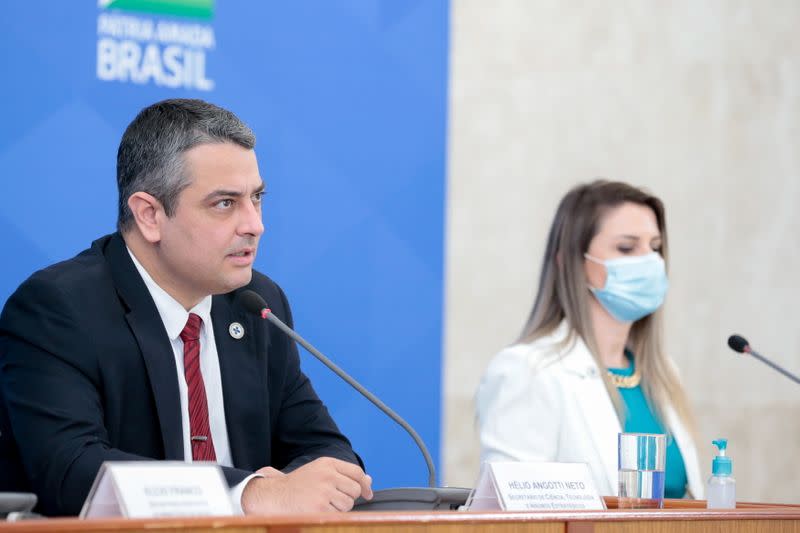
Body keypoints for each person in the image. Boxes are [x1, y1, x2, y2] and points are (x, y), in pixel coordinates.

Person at [0, 98, 373, 516]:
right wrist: (248, 494)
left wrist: (315, 484)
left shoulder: (257, 306)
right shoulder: (59, 308)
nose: (255, 224)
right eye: (225, 203)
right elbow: (71, 472)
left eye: (257, 198)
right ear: (150, 215)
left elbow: (327, 450)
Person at [476, 180, 703, 499]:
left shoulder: (664, 373)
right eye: (626, 247)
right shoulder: (527, 370)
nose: (649, 262)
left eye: (654, 248)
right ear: (572, 262)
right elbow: (515, 515)